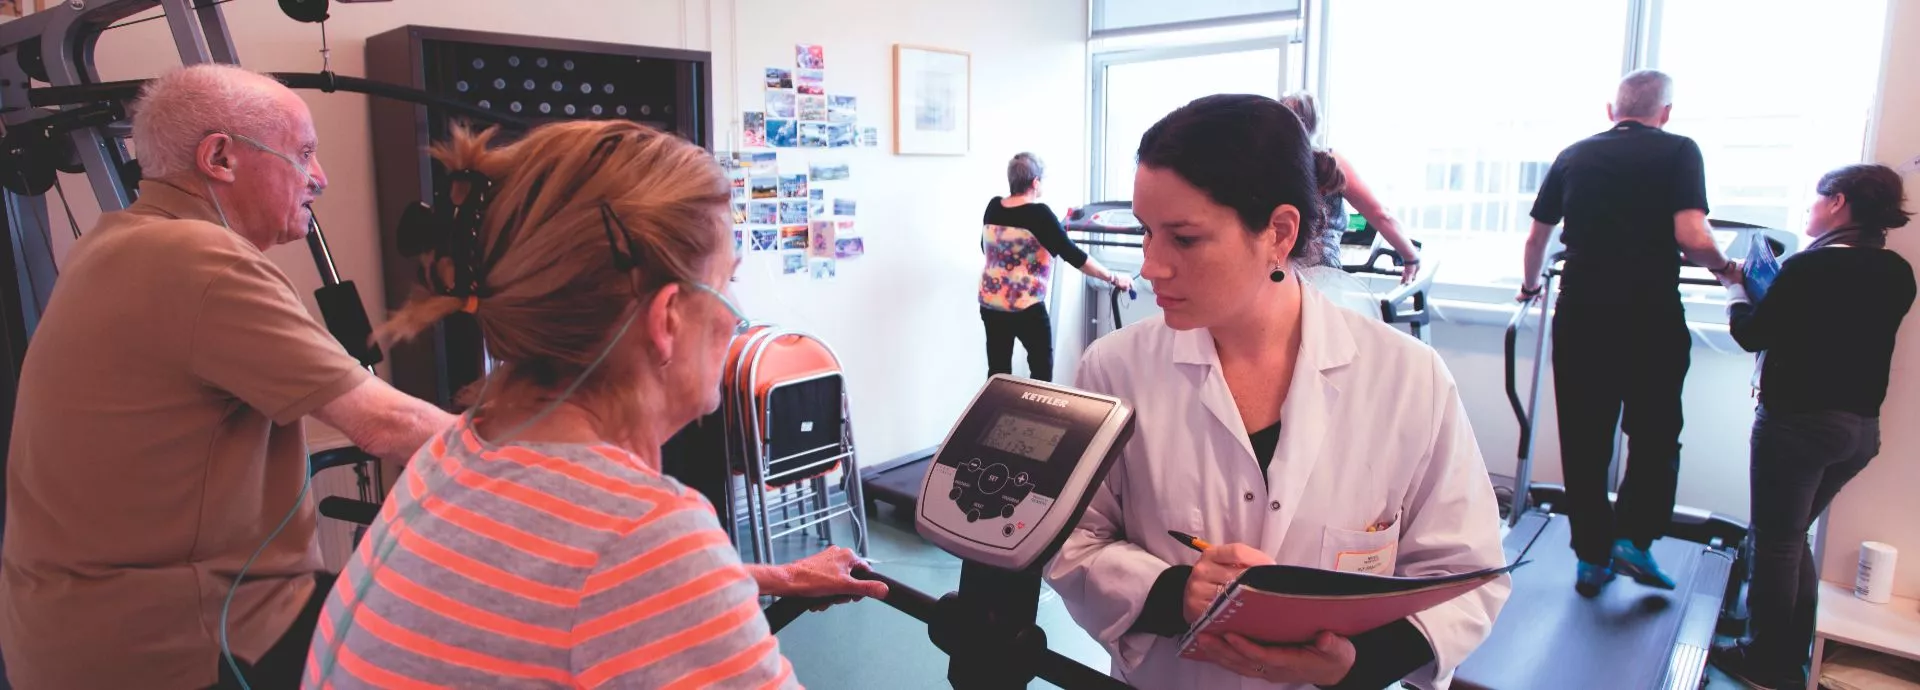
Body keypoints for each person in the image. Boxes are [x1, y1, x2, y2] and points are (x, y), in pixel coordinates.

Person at [304, 118, 888, 688]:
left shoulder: (458, 451)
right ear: (667, 319)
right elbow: (627, 569)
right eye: (726, 280)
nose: (736, 313)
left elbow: (578, 585)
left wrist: (774, 576)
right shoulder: (645, 534)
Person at [0, 64, 455, 690]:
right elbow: (387, 424)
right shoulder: (197, 258)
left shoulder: (112, 243)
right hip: (179, 641)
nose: (319, 178)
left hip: (70, 633)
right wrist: (571, 465)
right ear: (220, 157)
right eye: (303, 154)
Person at [1045, 94, 1509, 690]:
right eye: (1145, 233)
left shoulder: (1406, 379)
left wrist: (1357, 662)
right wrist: (1172, 592)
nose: (1151, 266)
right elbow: (1075, 535)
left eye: (1183, 239)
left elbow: (1466, 572)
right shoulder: (1115, 368)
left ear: (1279, 232)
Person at [1516, 69, 1741, 597]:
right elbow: (1692, 236)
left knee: (1586, 439)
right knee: (1656, 432)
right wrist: (1726, 267)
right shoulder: (1680, 149)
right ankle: (1634, 541)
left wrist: (1529, 288)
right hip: (1650, 313)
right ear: (1664, 112)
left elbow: (1536, 241)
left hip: (1583, 314)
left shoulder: (1574, 154)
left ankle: (1591, 556)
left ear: (1611, 110)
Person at [1709, 164, 1916, 690]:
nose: (1810, 210)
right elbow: (1825, 326)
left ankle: (1763, 661)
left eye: (1816, 200)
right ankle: (1789, 645)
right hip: (1857, 433)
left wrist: (1735, 289)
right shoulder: (1898, 272)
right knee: (1790, 535)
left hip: (1798, 427)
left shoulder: (1809, 268)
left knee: (1774, 541)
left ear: (1839, 203)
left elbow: (1754, 335)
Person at [980, 152, 1131, 381]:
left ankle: (1002, 415)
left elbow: (986, 247)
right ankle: (1038, 415)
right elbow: (1073, 255)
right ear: (1035, 182)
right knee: (1041, 370)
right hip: (1026, 306)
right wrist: (1113, 277)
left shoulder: (994, 207)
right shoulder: (1039, 214)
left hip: (991, 304)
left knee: (998, 373)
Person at [1278, 91, 1423, 283]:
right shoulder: (1329, 163)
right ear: (1317, 124)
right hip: (1321, 277)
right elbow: (1380, 215)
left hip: (1280, 275)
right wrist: (1411, 256)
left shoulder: (1273, 165)